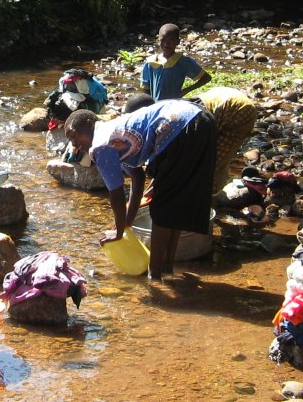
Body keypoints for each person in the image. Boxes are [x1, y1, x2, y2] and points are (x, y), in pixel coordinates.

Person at [64, 100, 217, 280]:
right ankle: (167, 267)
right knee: (177, 201)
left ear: (90, 125)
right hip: (202, 120)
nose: (75, 145)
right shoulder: (115, 134)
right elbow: (138, 178)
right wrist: (126, 223)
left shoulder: (101, 144)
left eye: (75, 137)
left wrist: (119, 232)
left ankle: (155, 276)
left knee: (162, 206)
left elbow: (116, 194)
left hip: (180, 125)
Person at [125, 87, 257, 194]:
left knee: (212, 164)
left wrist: (159, 188)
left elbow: (176, 160)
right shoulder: (158, 112)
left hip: (238, 112)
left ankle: (209, 209)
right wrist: (150, 190)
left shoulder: (168, 121)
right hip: (222, 98)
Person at [141, 23, 211, 101]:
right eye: (163, 40)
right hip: (155, 106)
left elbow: (206, 78)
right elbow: (146, 89)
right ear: (158, 40)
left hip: (173, 106)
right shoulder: (151, 62)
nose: (166, 44)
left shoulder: (182, 61)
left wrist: (185, 90)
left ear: (177, 42)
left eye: (171, 40)